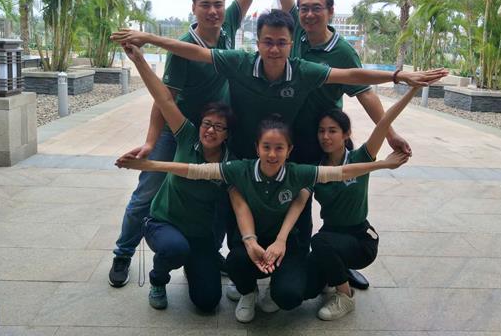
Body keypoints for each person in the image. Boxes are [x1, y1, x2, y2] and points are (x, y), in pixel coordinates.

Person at [108, 0, 279, 288]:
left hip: (217, 131)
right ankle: (123, 252)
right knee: (148, 190)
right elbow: (164, 99)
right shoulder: (183, 47)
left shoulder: (229, 24)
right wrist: (151, 142)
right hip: (181, 130)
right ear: (194, 8)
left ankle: (208, 251)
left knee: (217, 191)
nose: (214, 10)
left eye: (218, 3)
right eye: (206, 5)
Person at [116, 114, 411, 323]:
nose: (272, 154)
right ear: (256, 147)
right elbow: (193, 170)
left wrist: (384, 164)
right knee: (232, 266)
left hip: (309, 243)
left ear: (289, 150)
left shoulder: (299, 172)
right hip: (249, 244)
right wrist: (147, 164)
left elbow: (342, 172)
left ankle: (303, 286)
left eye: (279, 148)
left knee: (289, 297)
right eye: (266, 147)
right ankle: (247, 293)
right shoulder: (240, 169)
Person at [272, 0, 410, 289]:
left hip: (324, 137)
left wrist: (392, 135)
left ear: (330, 12)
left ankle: (339, 260)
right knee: (295, 200)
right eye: (304, 8)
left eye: (316, 8)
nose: (308, 13)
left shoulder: (343, 51)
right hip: (290, 135)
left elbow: (366, 94)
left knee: (338, 199)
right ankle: (300, 261)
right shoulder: (295, 35)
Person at [111, 10, 447, 162]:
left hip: (282, 154)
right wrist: (149, 39)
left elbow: (351, 76)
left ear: (291, 44)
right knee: (235, 212)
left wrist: (397, 76)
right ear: (257, 42)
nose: (274, 49)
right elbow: (196, 52)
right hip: (239, 152)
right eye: (268, 42)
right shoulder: (239, 61)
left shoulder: (303, 70)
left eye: (282, 43)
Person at [118, 42, 236, 312]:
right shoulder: (187, 136)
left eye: (219, 127)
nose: (210, 131)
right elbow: (165, 99)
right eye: (207, 124)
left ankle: (195, 265)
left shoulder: (230, 161)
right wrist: (140, 61)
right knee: (175, 249)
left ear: (227, 134)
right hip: (165, 225)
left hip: (199, 235)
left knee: (207, 302)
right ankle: (158, 279)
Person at [305, 86, 421, 320]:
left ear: (346, 134)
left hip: (360, 240)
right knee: (305, 289)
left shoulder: (360, 158)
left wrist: (413, 89)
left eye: (332, 131)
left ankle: (345, 296)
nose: (325, 136)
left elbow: (384, 122)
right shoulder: (316, 169)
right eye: (321, 131)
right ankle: (336, 273)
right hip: (332, 235)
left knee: (319, 243)